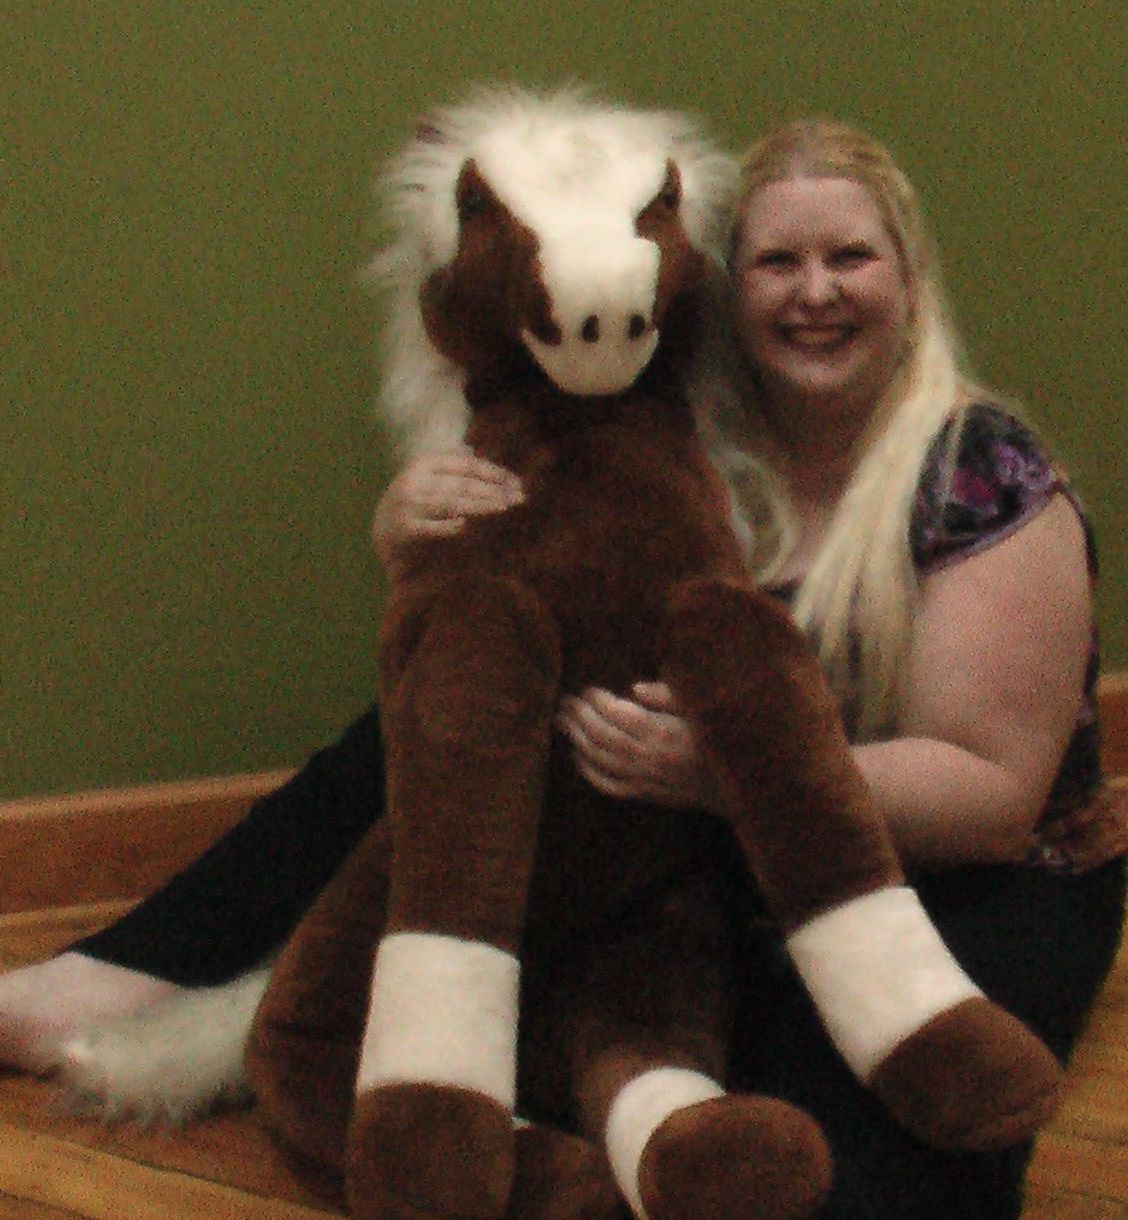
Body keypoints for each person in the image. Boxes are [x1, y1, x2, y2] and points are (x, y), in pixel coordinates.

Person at [1, 117, 1124, 1218]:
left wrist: (722, 770)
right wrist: (406, 526)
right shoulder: (691, 447)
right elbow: (518, 596)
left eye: (850, 257)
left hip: (973, 882)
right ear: (728, 290)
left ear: (908, 279)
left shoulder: (985, 472)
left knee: (856, 1153)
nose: (813, 290)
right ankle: (104, 979)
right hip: (719, 855)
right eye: (777, 260)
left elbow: (991, 794)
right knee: (407, 736)